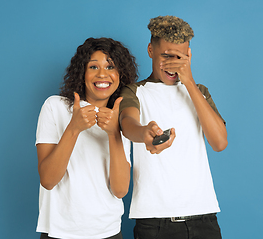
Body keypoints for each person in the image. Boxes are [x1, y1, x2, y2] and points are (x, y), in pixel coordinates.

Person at [119, 16, 228, 239]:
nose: (173, 64)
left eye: (180, 57)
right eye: (166, 56)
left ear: (189, 56)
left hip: (203, 217)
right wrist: (144, 133)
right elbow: (127, 123)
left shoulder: (200, 92)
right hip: (154, 222)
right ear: (150, 50)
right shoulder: (135, 91)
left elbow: (219, 142)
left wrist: (188, 82)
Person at [35, 37, 138, 239]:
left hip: (108, 232)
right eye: (93, 67)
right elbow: (48, 180)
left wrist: (113, 133)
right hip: (59, 232)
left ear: (120, 75)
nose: (102, 74)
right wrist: (74, 128)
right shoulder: (55, 106)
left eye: (110, 67)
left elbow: (120, 190)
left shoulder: (120, 118)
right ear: (82, 73)